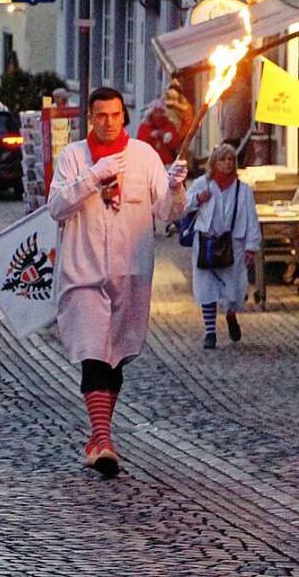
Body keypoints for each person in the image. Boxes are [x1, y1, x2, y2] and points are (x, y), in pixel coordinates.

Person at [47, 87, 188, 478]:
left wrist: (175, 187)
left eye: (114, 115)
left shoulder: (144, 155)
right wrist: (92, 179)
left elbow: (167, 213)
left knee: (117, 354)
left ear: (123, 116)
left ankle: (98, 437)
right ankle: (103, 438)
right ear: (90, 118)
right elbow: (56, 206)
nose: (108, 122)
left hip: (131, 270)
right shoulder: (74, 157)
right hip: (84, 269)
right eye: (100, 116)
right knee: (93, 349)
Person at [184, 144, 260, 349]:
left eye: (231, 160)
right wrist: (198, 199)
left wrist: (251, 246)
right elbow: (184, 204)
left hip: (234, 242)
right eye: (223, 159)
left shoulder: (242, 189)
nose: (227, 164)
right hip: (207, 242)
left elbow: (252, 218)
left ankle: (231, 314)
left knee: (234, 286)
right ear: (214, 162)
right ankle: (210, 332)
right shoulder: (203, 183)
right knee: (207, 286)